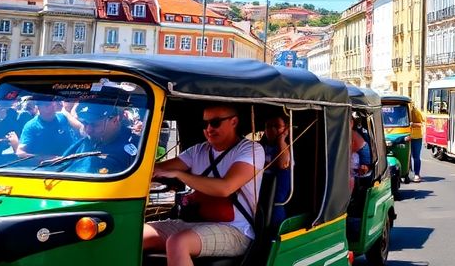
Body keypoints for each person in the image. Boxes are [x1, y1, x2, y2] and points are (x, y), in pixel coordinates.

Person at [143, 105, 264, 266]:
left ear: (233, 122)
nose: (208, 129)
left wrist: (180, 175)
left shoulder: (250, 149)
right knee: (137, 234)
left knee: (178, 243)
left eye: (215, 123)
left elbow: (225, 188)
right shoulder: (199, 151)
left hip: (236, 230)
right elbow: (157, 170)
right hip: (194, 222)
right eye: (204, 124)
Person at [57, 103, 138, 174]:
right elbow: (60, 167)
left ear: (115, 120)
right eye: (84, 123)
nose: (88, 130)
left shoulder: (138, 149)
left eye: (94, 125)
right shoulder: (87, 142)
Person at [6, 97, 77, 158]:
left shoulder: (63, 117)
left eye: (53, 103)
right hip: (45, 169)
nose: (51, 107)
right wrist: (46, 159)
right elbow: (20, 153)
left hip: (71, 164)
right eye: (46, 105)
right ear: (38, 107)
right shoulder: (31, 126)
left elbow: (81, 129)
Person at [261, 115, 292, 226]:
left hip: (277, 200)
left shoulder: (287, 148)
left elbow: (283, 164)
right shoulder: (259, 147)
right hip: (259, 195)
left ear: (286, 128)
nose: (272, 129)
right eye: (268, 126)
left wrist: (282, 139)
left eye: (277, 126)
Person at [409, 103, 425, 183]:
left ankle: (417, 174)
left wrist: (413, 124)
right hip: (405, 136)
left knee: (416, 156)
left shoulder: (416, 112)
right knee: (407, 156)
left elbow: (422, 123)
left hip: (416, 137)